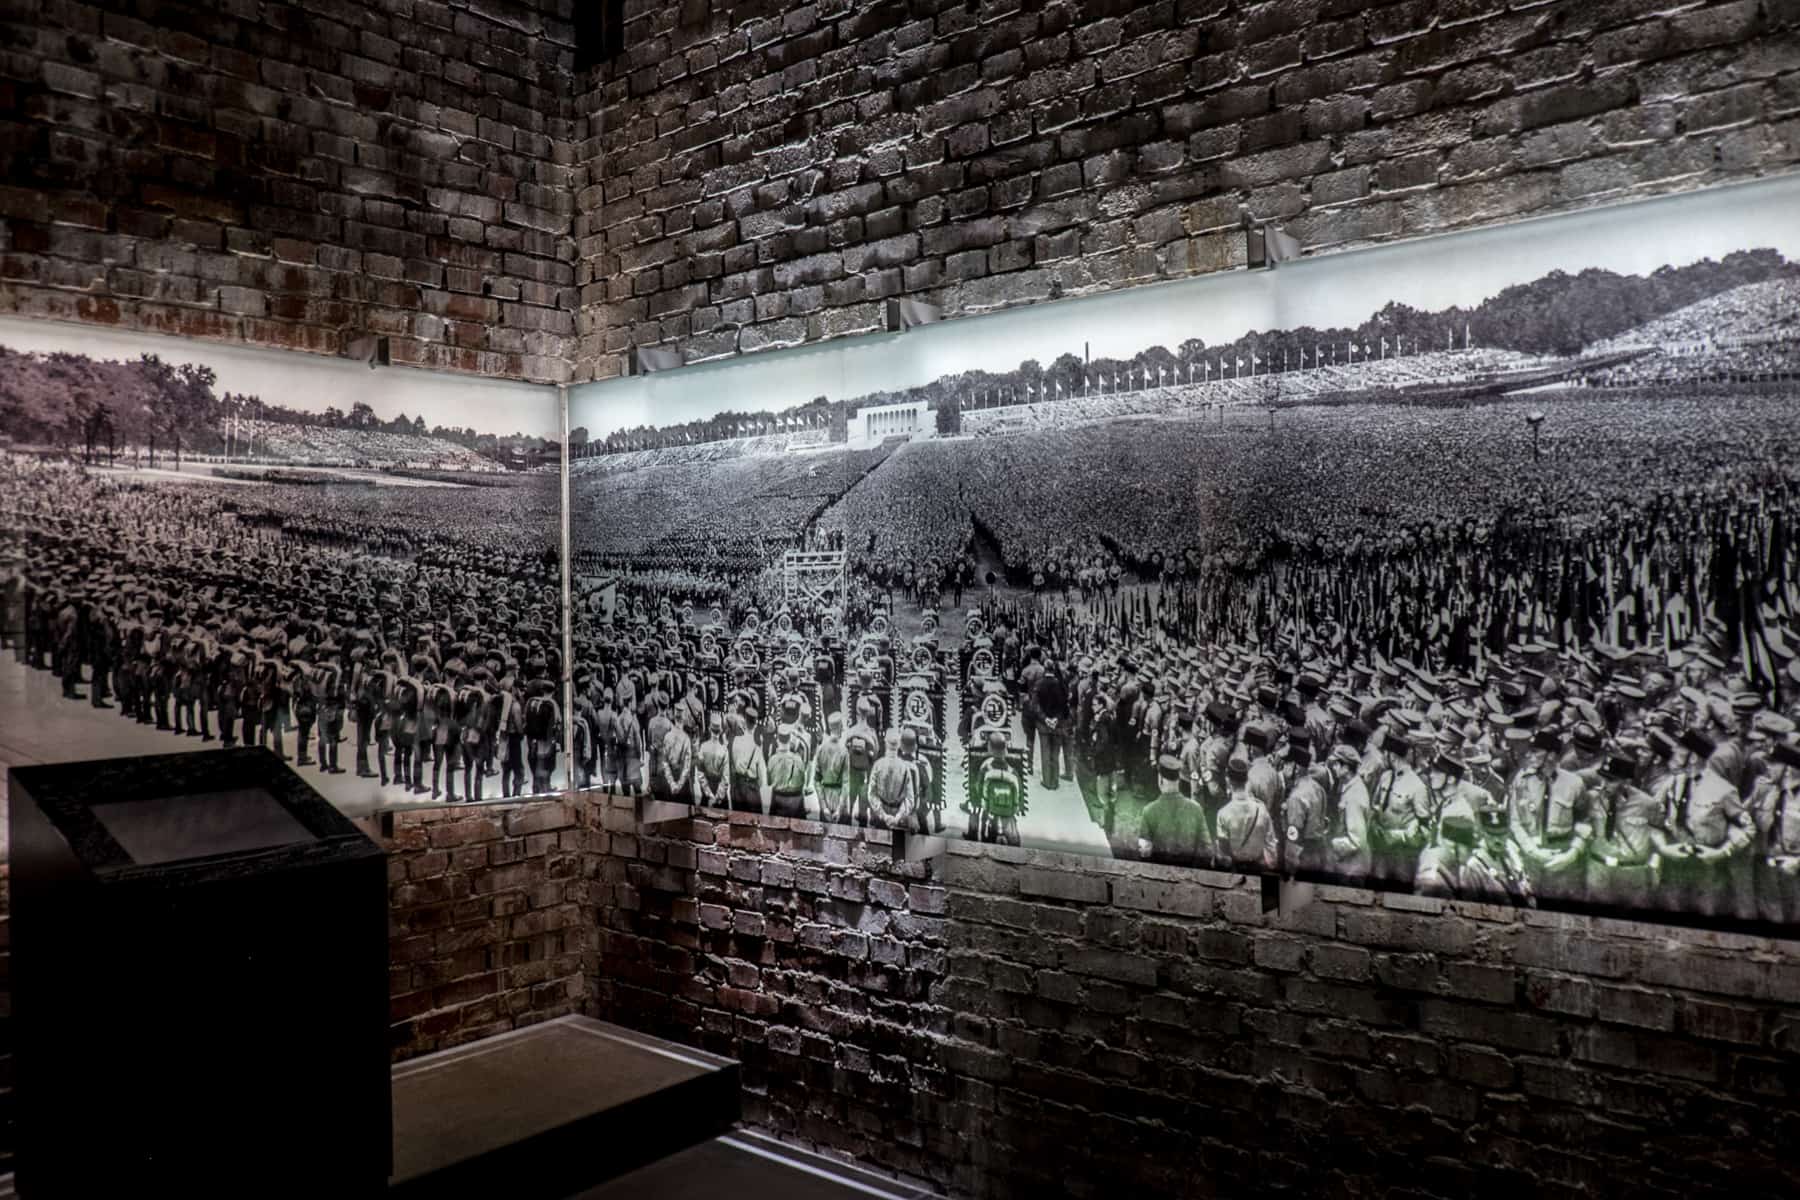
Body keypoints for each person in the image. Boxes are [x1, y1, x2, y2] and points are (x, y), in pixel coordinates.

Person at [1138, 753, 1209, 867]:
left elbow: (1145, 853)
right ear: (1179, 780)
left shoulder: (1149, 811)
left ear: (1160, 780)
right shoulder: (1196, 809)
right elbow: (1206, 851)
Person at [1215, 751, 1274, 870]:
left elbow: (1223, 855)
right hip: (1259, 868)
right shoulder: (1261, 809)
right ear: (1247, 781)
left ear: (1228, 781)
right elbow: (1271, 845)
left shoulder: (1223, 813)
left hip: (1234, 869)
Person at [867, 728, 917, 832]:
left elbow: (871, 794)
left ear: (885, 744)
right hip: (899, 818)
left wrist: (883, 815)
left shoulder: (878, 765)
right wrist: (897, 817)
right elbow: (910, 799)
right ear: (899, 745)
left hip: (879, 818)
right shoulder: (905, 768)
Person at [811, 711, 850, 824]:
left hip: (825, 796)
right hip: (839, 798)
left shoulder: (821, 749)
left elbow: (816, 780)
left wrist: (823, 806)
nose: (843, 728)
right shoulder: (844, 751)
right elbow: (846, 783)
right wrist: (839, 808)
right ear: (839, 727)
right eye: (842, 725)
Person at [766, 727, 808, 817]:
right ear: (790, 739)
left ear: (777, 739)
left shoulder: (772, 760)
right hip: (796, 803)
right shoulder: (798, 760)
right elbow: (803, 781)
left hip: (778, 801)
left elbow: (769, 782)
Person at [695, 711, 730, 807]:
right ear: (721, 731)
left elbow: (700, 773)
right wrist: (718, 796)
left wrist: (709, 794)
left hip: (707, 792)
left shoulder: (703, 747)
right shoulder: (724, 750)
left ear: (710, 729)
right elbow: (726, 778)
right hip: (721, 797)